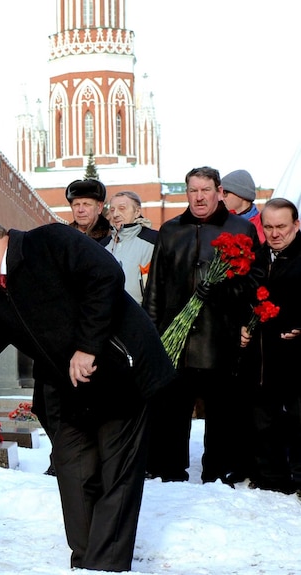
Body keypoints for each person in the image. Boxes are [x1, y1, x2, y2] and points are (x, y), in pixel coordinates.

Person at [0, 214, 174, 572]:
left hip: (121, 374)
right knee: (74, 475)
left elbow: (107, 275)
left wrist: (88, 346)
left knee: (117, 479)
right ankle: (86, 563)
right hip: (70, 390)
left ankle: (104, 568)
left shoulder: (50, 241)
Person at [142, 166, 260, 484]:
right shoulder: (170, 230)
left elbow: (254, 283)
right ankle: (170, 470)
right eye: (193, 190)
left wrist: (223, 291)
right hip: (176, 339)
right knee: (172, 412)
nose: (199, 197)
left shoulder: (240, 229)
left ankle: (216, 472)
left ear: (218, 191)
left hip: (219, 336)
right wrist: (151, 336)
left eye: (205, 190)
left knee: (221, 413)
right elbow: (155, 288)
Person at [239, 198, 301, 495]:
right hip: (261, 356)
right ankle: (269, 477)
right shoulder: (257, 257)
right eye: (269, 227)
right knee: (263, 419)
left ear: (297, 225)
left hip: (296, 357)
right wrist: (241, 325)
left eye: (282, 227)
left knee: (297, 420)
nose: (275, 233)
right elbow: (242, 299)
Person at [104, 191, 158, 305]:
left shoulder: (155, 241)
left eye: (122, 208)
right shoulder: (102, 246)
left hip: (142, 316)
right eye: (112, 210)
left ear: (137, 211)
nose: (115, 214)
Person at [222, 169, 265, 243]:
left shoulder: (265, 224)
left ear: (242, 194)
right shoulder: (219, 222)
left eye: (225, 193)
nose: (220, 198)